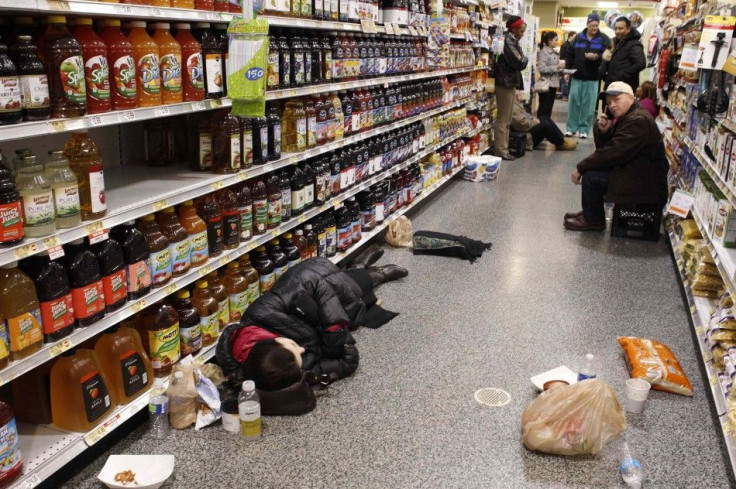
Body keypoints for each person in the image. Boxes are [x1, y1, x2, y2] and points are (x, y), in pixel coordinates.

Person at [216, 245, 408, 413]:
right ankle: (361, 268)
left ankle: (374, 274)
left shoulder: (261, 313)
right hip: (317, 314)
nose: (301, 349)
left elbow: (314, 284)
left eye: (293, 345)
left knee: (348, 292)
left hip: (310, 277)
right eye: (300, 355)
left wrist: (334, 326)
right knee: (354, 310)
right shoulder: (279, 370)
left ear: (273, 340)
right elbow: (347, 364)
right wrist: (341, 340)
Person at [564, 82, 668, 231]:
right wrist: (605, 131)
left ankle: (593, 219)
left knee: (592, 177)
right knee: (595, 172)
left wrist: (581, 167)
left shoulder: (638, 120)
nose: (612, 105)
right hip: (638, 174)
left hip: (645, 185)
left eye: (617, 99)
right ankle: (591, 213)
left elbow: (612, 152)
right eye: (609, 102)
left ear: (631, 98)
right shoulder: (630, 116)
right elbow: (611, 149)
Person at [564, 14, 610, 139]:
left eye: (596, 25)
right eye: (592, 25)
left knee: (588, 105)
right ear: (587, 25)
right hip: (577, 76)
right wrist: (567, 71)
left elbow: (608, 55)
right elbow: (569, 54)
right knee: (573, 103)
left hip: (593, 78)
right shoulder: (578, 37)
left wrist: (597, 57)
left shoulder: (604, 39)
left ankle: (584, 129)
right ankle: (571, 128)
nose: (594, 28)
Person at [492, 15, 529, 161]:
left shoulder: (510, 40)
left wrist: (523, 58)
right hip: (505, 83)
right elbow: (520, 62)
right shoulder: (507, 41)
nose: (522, 34)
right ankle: (501, 151)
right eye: (521, 30)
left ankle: (504, 148)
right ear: (514, 29)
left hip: (508, 82)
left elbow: (520, 59)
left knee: (506, 118)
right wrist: (524, 58)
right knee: (504, 118)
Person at [510, 95, 577, 151]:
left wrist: (534, 120)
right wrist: (534, 122)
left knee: (545, 118)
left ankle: (561, 139)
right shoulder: (512, 107)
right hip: (525, 137)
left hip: (526, 130)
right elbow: (522, 124)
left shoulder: (514, 104)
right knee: (545, 125)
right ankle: (561, 143)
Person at [598, 16, 646, 94]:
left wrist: (622, 75)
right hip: (611, 85)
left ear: (628, 29)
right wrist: (602, 73)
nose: (617, 31)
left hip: (624, 88)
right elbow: (607, 60)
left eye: (620, 28)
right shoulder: (614, 42)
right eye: (616, 28)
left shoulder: (634, 44)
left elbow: (640, 64)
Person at [536, 31, 564, 119]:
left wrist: (561, 69)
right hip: (546, 84)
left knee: (548, 110)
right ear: (549, 40)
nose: (557, 42)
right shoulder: (544, 52)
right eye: (555, 40)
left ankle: (546, 129)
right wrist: (556, 67)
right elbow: (541, 68)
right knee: (544, 109)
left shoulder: (554, 52)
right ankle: (541, 128)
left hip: (553, 84)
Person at [559, 32, 576, 101]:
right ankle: (564, 95)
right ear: (570, 36)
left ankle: (569, 95)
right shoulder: (564, 45)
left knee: (570, 81)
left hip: (571, 66)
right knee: (564, 80)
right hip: (565, 65)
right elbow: (562, 56)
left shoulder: (573, 45)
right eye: (574, 36)